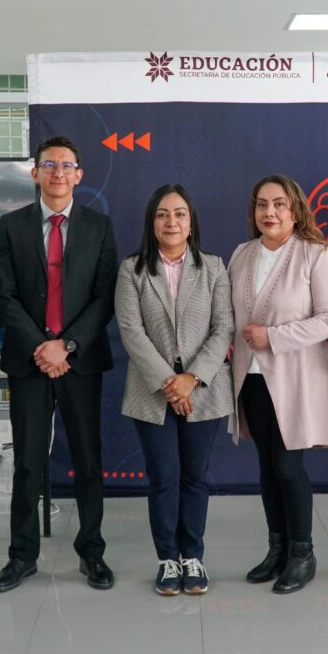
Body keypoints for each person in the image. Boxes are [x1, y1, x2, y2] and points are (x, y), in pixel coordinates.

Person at [0, 136, 118, 592]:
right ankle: (22, 556)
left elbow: (105, 296)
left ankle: (92, 553)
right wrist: (42, 347)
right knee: (27, 462)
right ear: (35, 173)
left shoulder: (99, 226)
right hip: (30, 361)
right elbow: (4, 294)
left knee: (88, 461)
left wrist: (68, 345)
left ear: (79, 175)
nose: (58, 172)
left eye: (66, 165)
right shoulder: (12, 225)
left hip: (80, 361)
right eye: (49, 165)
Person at [114, 184, 234, 595]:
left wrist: (191, 379)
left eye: (180, 213)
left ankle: (192, 556)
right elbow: (131, 330)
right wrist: (170, 382)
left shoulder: (213, 267)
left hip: (203, 388)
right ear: (152, 222)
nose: (171, 221)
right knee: (164, 477)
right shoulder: (132, 269)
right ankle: (168, 558)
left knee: (195, 477)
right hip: (152, 390)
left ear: (191, 222)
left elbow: (223, 328)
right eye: (163, 214)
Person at [228, 174, 328, 594]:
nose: (270, 212)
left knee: (288, 466)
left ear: (295, 210)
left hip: (295, 378)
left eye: (279, 204)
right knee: (266, 465)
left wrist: (274, 337)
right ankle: (276, 549)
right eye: (262, 204)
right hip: (251, 378)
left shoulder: (314, 254)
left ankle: (302, 554)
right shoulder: (241, 254)